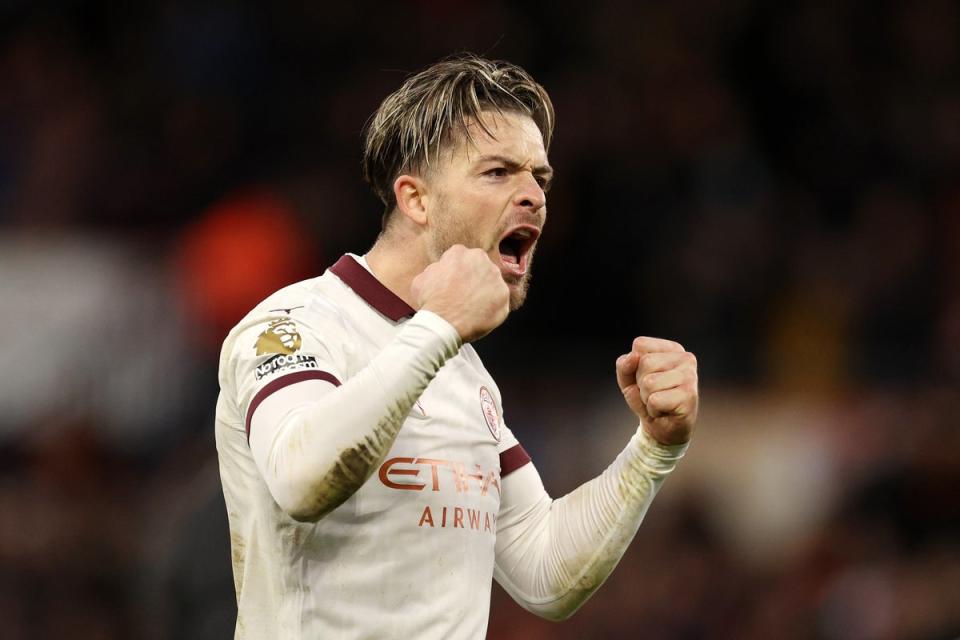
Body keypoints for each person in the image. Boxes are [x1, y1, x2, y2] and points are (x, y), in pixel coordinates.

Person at [215, 53, 699, 639]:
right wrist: (436, 330)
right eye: (498, 173)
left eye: (539, 178)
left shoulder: (463, 372)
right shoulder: (295, 326)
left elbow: (545, 572)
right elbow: (302, 479)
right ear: (416, 200)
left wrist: (654, 448)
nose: (534, 197)